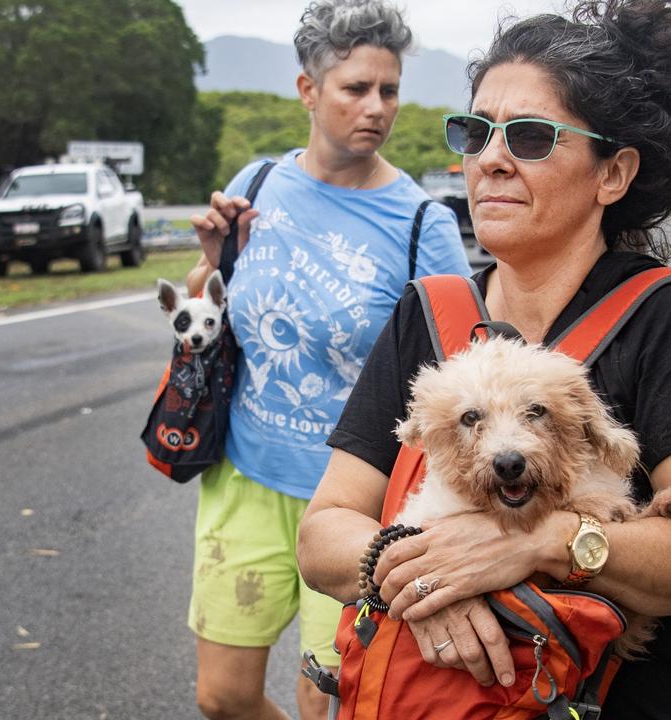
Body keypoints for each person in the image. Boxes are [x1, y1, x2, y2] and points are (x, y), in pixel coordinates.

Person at [297, 1, 671, 718]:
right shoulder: (427, 314)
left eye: (528, 136)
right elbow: (324, 532)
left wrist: (542, 543)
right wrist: (419, 581)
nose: (490, 157)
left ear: (612, 174)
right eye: (475, 131)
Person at [183, 1, 471, 718]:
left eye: (390, 90)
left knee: (333, 710)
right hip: (244, 480)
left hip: (357, 510)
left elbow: (463, 367)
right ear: (308, 91)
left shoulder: (420, 226)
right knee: (222, 698)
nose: (376, 108)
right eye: (355, 89)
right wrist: (212, 264)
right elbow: (204, 312)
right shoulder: (256, 184)